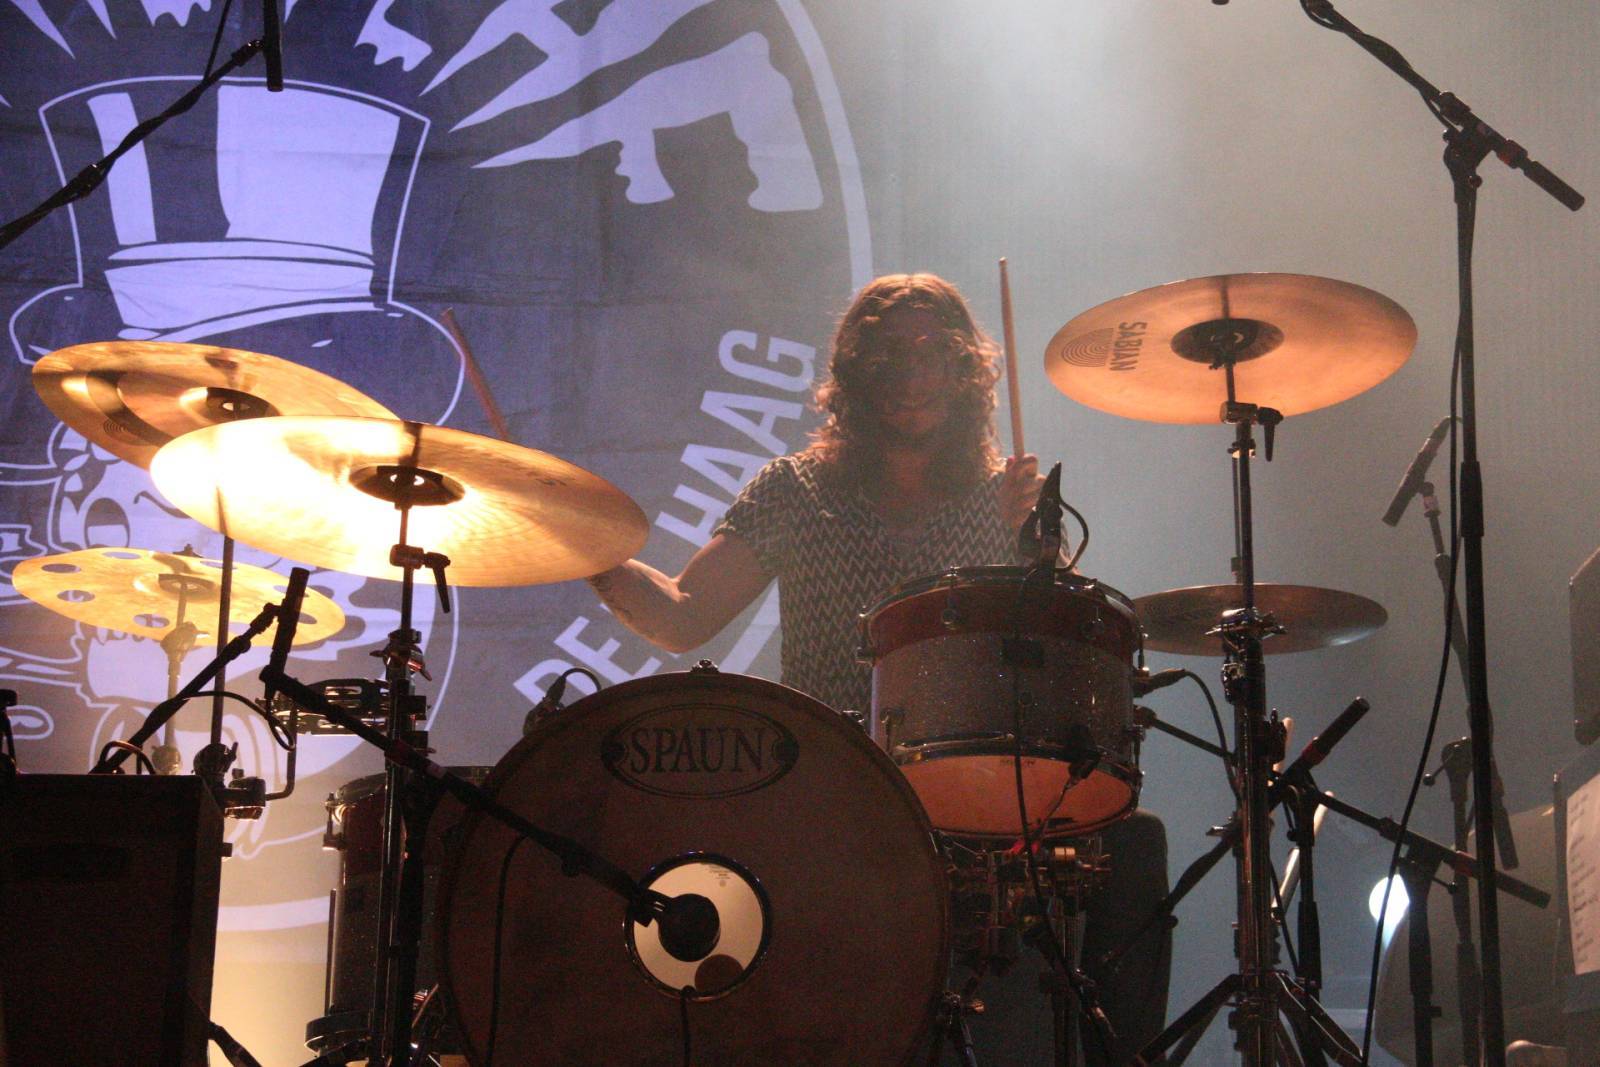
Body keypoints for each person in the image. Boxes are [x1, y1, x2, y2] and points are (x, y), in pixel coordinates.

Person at [588, 273, 1169, 1064]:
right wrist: (580, 542)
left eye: (933, 351)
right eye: (889, 353)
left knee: (1128, 846)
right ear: (854, 372)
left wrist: (1036, 548)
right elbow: (681, 616)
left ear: (965, 372)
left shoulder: (1004, 495)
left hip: (973, 797)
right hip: (829, 790)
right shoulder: (795, 491)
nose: (911, 372)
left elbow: (1056, 662)